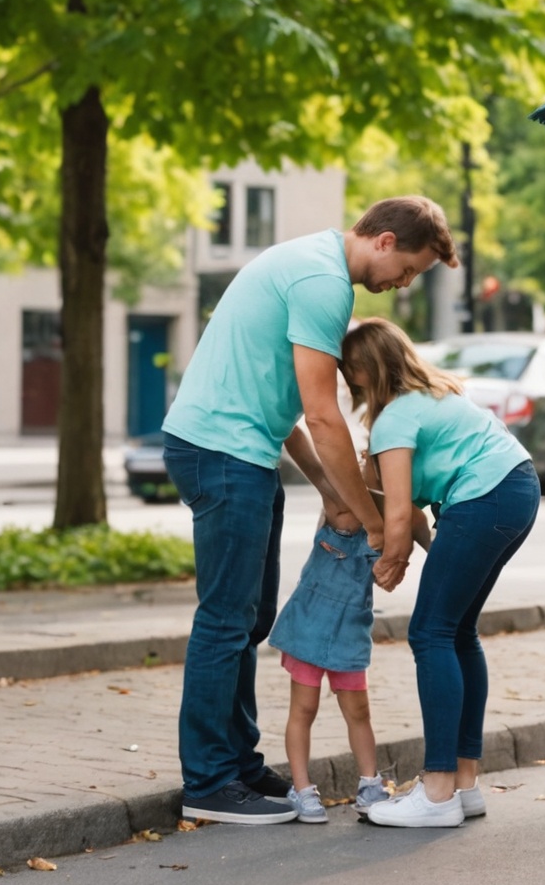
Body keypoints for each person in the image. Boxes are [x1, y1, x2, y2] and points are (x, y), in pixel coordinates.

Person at [162, 198, 454, 825]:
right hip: (220, 449)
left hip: (241, 449)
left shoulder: (313, 263)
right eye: (410, 269)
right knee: (226, 617)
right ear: (382, 241)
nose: (405, 284)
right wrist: (375, 526)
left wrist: (328, 489)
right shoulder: (324, 284)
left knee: (251, 615)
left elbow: (291, 405)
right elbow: (324, 416)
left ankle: (237, 761)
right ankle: (209, 781)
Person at [340, 318, 539, 828]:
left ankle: (437, 792)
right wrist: (430, 552)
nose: (346, 380)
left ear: (365, 368)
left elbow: (402, 516)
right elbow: (428, 520)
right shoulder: (435, 397)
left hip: (486, 497)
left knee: (429, 632)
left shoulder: (396, 419)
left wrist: (392, 561)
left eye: (348, 371)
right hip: (515, 488)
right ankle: (464, 785)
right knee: (457, 631)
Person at [267, 523, 391, 823]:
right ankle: (302, 788)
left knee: (359, 712)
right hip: (308, 628)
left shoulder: (383, 526)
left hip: (350, 634)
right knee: (304, 708)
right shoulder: (336, 517)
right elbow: (336, 493)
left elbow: (389, 578)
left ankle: (370, 785)